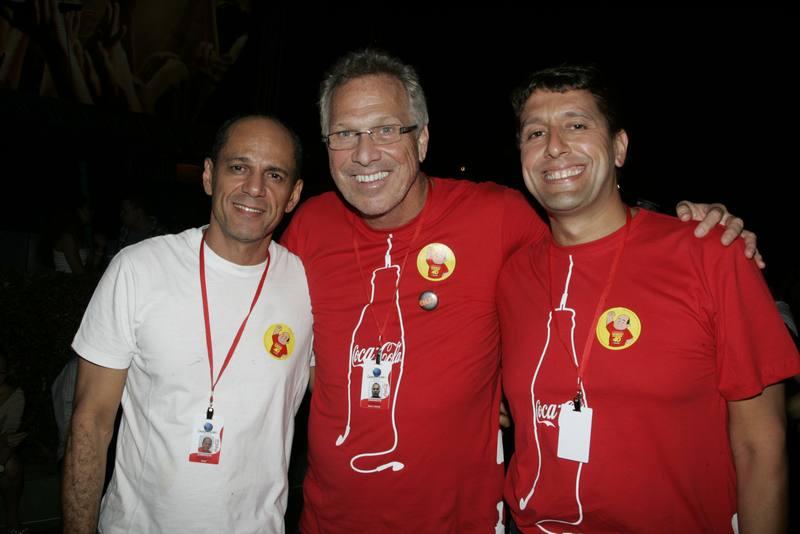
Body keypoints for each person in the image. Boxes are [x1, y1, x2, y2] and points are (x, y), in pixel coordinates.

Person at [280, 49, 760, 532]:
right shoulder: (308, 228)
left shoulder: (499, 217)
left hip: (461, 521)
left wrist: (697, 232)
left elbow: (596, 239)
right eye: (345, 134)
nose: (365, 153)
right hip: (327, 520)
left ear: (421, 139)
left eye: (386, 129)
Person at [497, 65, 800, 533]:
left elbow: (762, 445)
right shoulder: (509, 275)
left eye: (576, 125)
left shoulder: (709, 254)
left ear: (619, 147)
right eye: (536, 132)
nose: (554, 146)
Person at [62, 115, 313, 533]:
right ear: (209, 176)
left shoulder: (308, 286)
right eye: (238, 167)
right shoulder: (139, 269)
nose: (254, 188)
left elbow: (337, 405)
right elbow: (91, 420)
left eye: (274, 175)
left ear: (293, 195)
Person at [0, 351, 27, 534]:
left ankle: (12, 522)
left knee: (12, 466)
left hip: (2, 451)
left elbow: (10, 435)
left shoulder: (14, 396)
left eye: (1, 372)